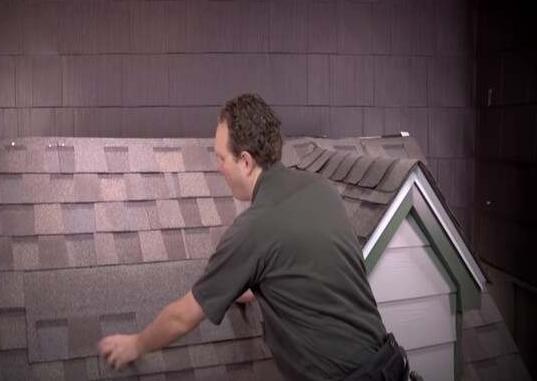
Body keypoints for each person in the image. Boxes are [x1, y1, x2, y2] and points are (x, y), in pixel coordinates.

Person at [98, 94, 410, 380]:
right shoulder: (321, 189)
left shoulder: (252, 230)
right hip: (390, 366)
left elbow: (182, 318)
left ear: (246, 161)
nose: (218, 167)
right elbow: (300, 269)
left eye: (221, 158)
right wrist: (240, 283)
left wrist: (135, 344)